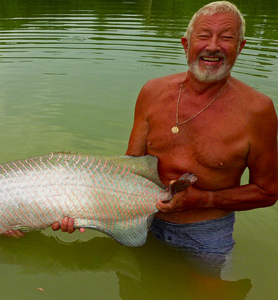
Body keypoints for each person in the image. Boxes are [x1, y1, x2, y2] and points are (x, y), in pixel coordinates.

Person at [57, 1, 278, 258]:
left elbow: (267, 192)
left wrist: (203, 200)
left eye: (226, 38)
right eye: (204, 36)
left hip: (206, 234)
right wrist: (76, 207)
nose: (213, 46)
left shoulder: (258, 110)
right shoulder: (153, 92)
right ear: (186, 45)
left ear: (240, 48)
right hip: (139, 220)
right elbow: (131, 168)